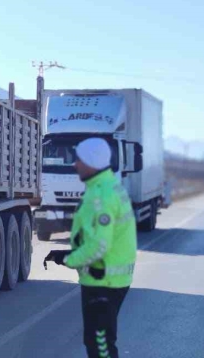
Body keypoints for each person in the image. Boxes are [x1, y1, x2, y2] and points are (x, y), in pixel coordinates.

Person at [44, 137, 137, 358]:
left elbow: (99, 245)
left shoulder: (101, 195)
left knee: (100, 347)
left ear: (91, 162)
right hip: (106, 278)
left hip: (103, 281)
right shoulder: (107, 187)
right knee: (97, 343)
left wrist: (70, 260)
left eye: (79, 160)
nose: (75, 164)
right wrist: (69, 253)